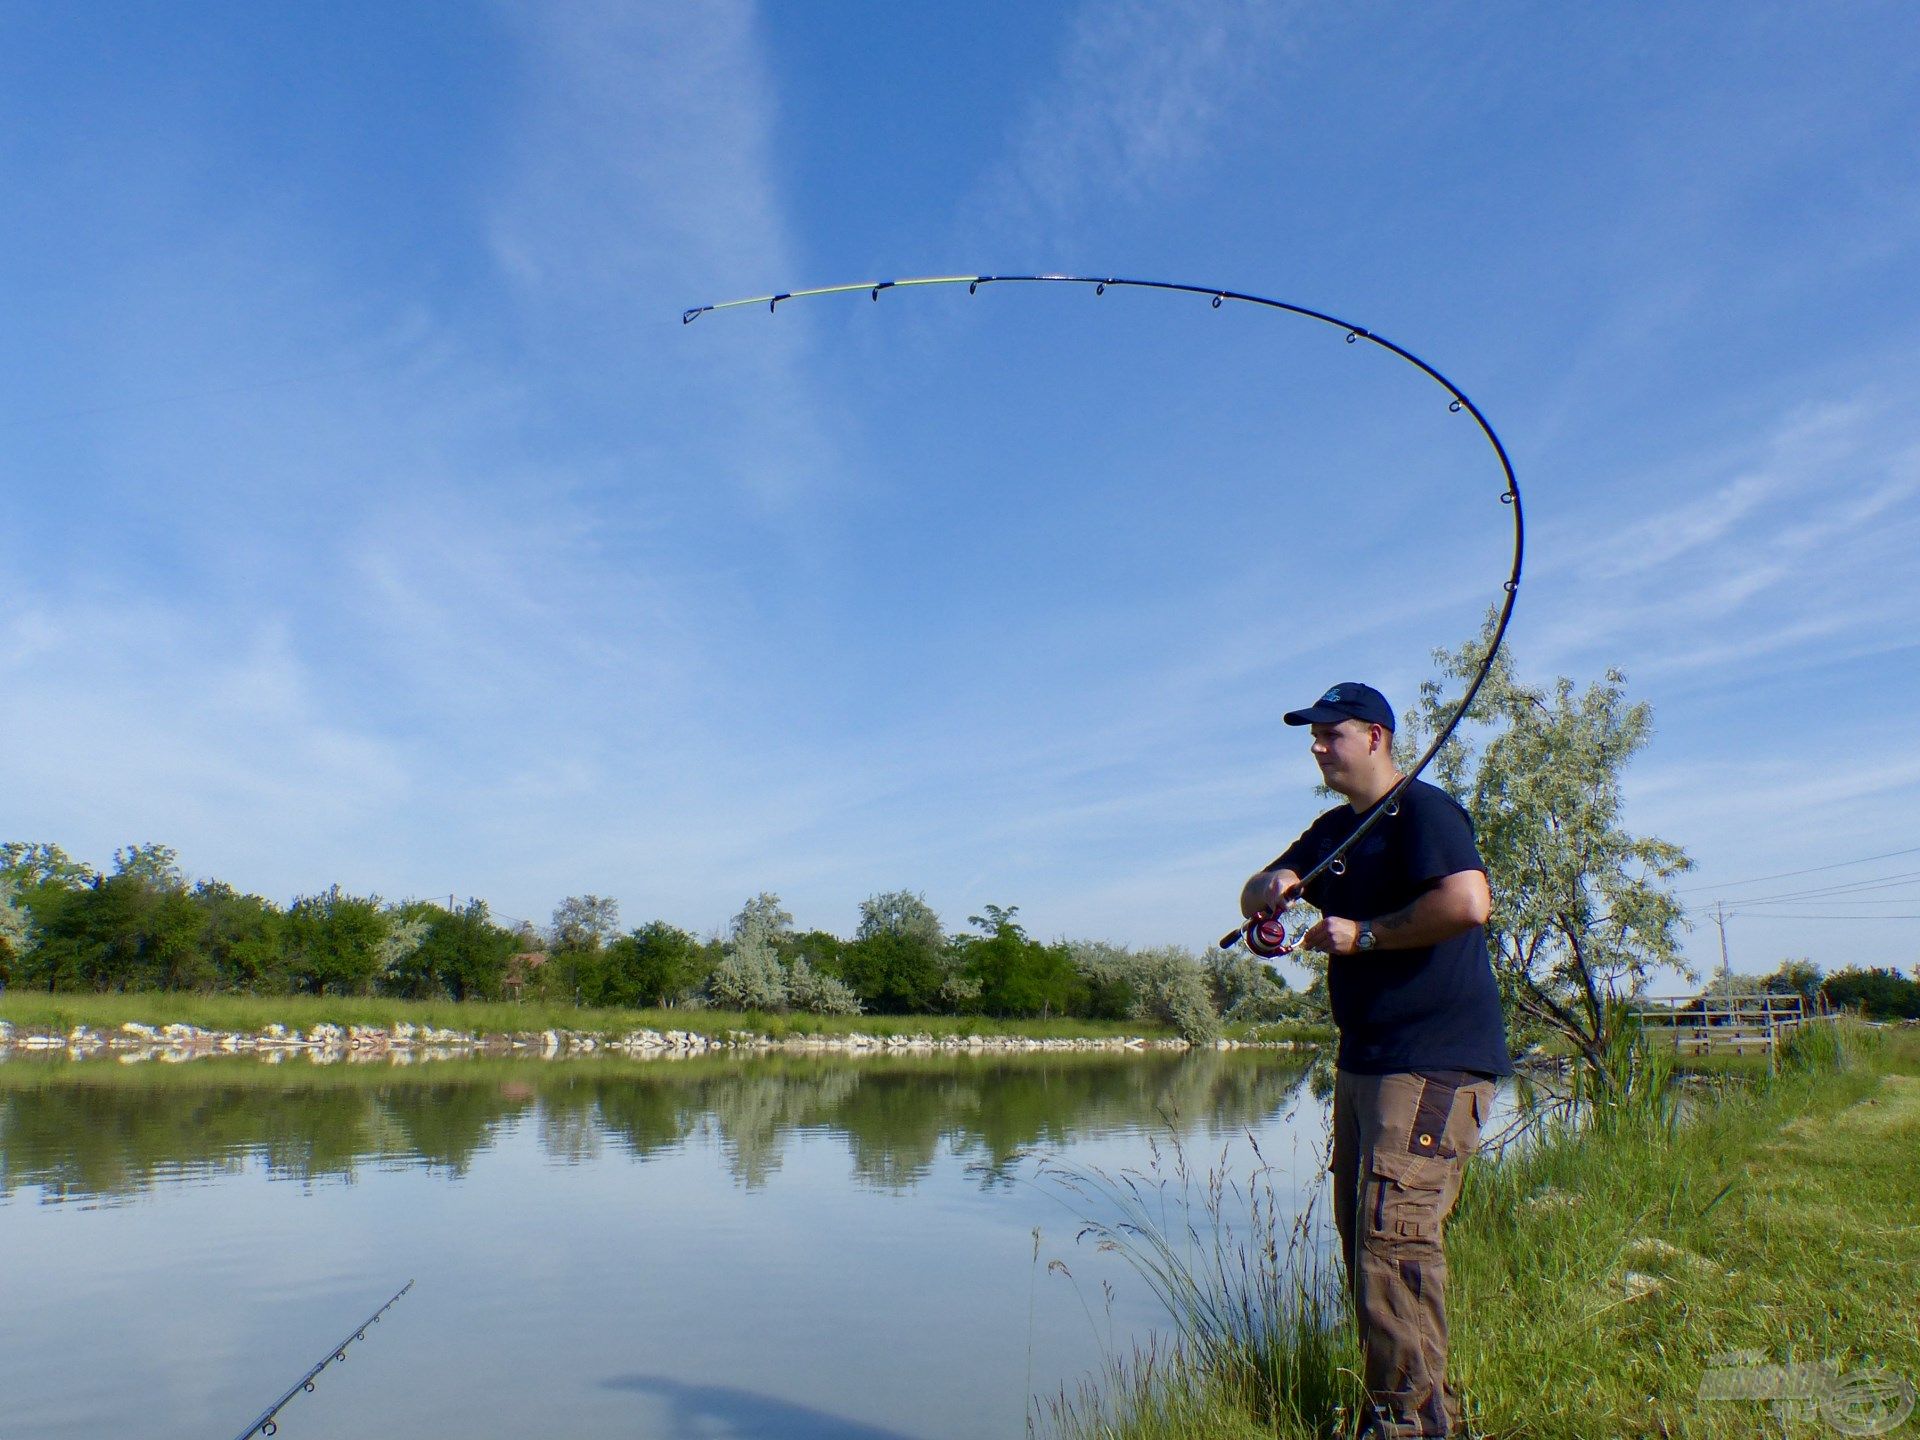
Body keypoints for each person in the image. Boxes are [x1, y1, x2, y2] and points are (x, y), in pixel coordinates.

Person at [1240, 681, 1511, 1440]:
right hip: (1365, 1061)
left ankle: (1411, 1426)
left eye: (1332, 732)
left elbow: (1467, 902)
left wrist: (1364, 934)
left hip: (1430, 1062)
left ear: (1377, 737)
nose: (1318, 745)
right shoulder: (1334, 830)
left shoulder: (1426, 813)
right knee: (1366, 1242)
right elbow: (1253, 893)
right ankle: (1399, 1411)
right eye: (1313, 735)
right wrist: (1275, 890)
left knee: (1395, 1242)